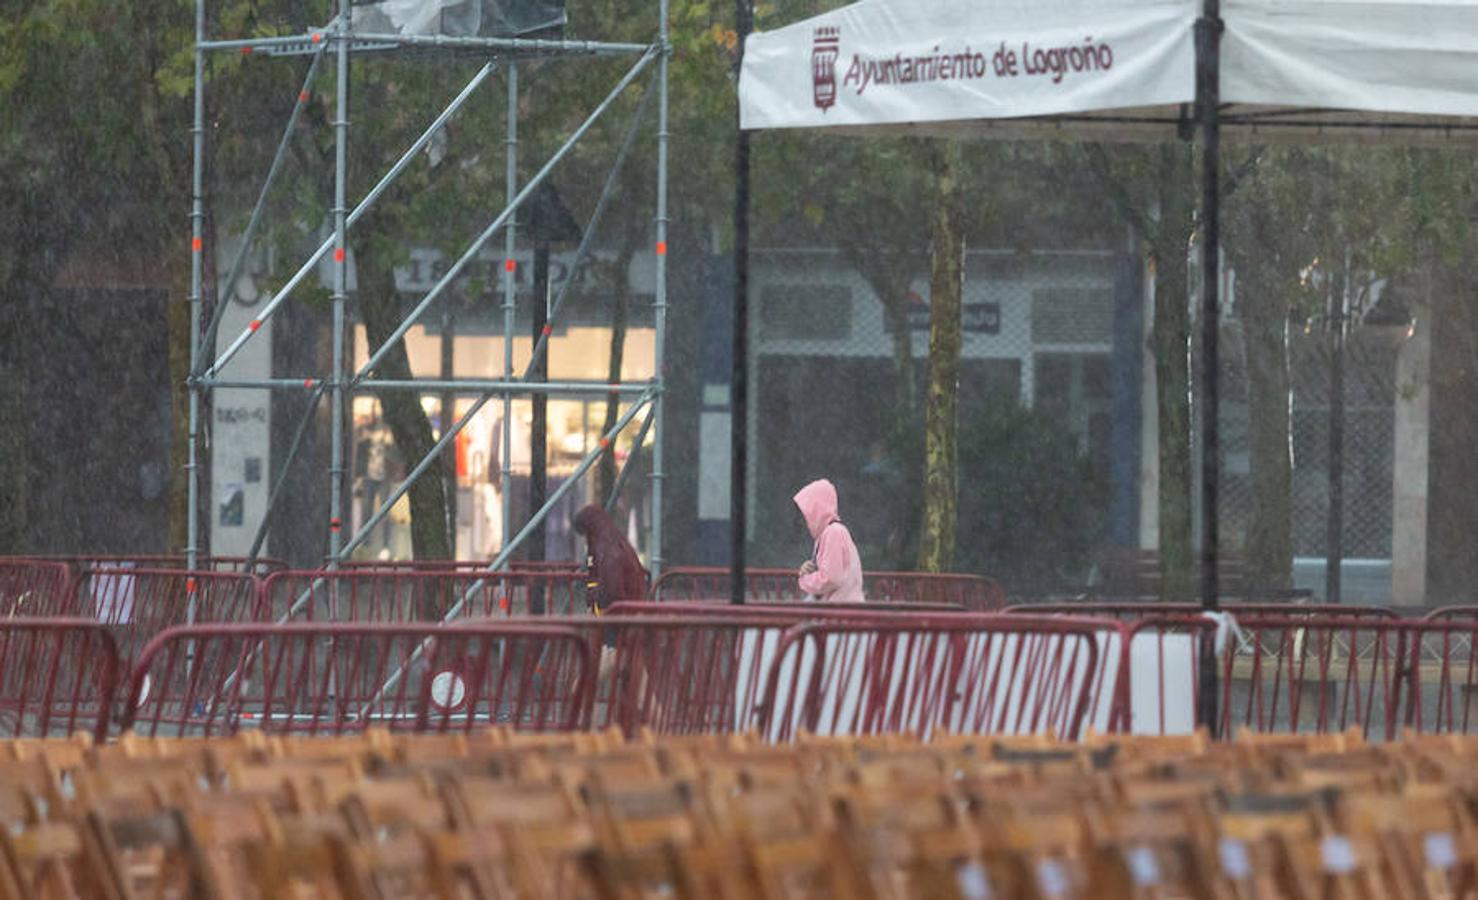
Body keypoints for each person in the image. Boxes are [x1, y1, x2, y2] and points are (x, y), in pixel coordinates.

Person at [793, 478, 865, 603]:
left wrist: (805, 580)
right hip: (842, 610)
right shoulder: (831, 533)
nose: (804, 520)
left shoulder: (833, 533)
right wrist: (810, 571)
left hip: (840, 613)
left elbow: (831, 578)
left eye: (806, 512)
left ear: (816, 509)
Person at [574, 503, 649, 613]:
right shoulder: (614, 540)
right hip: (630, 613)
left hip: (621, 619)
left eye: (586, 534)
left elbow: (612, 592)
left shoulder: (607, 550)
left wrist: (595, 595)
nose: (586, 540)